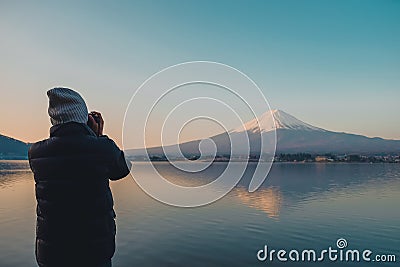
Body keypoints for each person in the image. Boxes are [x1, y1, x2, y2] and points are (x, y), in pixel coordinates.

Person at [28, 87, 131, 267]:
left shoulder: (36, 153)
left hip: (51, 252)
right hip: (93, 251)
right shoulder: (102, 148)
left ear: (54, 119)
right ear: (83, 117)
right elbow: (122, 169)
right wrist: (98, 136)